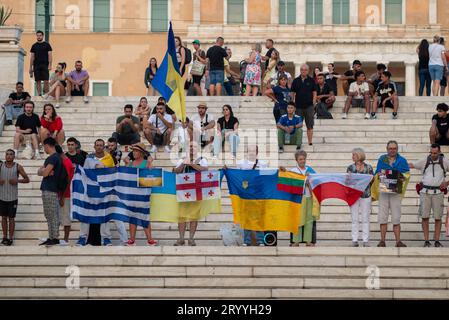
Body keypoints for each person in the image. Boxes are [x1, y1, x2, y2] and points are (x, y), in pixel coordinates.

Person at [79, 139, 127, 246]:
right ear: (94, 146)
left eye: (101, 145)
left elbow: (111, 173)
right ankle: (82, 237)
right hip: (91, 190)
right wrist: (97, 166)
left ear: (104, 147)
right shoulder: (88, 159)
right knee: (86, 213)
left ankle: (106, 238)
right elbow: (85, 173)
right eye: (97, 145)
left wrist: (101, 167)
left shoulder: (109, 158)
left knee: (105, 214)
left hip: (104, 191)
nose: (99, 147)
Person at [409, 144, 448, 248]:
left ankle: (437, 240)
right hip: (425, 192)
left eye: (435, 153)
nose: (433, 155)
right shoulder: (424, 160)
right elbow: (412, 165)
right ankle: (426, 240)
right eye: (431, 152)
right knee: (424, 217)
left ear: (439, 152)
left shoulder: (444, 161)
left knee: (438, 217)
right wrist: (398, 164)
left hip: (438, 193)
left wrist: (447, 183)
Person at [374, 140, 410, 248]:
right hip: (384, 190)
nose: (392, 150)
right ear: (387, 149)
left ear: (397, 149)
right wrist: (379, 174)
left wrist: (402, 176)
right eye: (390, 148)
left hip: (396, 191)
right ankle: (382, 241)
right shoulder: (382, 158)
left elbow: (407, 174)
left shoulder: (402, 160)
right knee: (382, 216)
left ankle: (398, 241)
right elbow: (377, 172)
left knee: (396, 216)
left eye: (394, 148)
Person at [173, 142, 209, 246]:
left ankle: (191, 238)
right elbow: (175, 171)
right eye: (190, 147)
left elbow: (205, 170)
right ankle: (181, 238)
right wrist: (184, 163)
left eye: (194, 146)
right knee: (181, 216)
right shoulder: (182, 159)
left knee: (194, 216)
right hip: (183, 191)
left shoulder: (202, 159)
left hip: (197, 191)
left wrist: (191, 164)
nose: (192, 148)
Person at [280, 149, 317, 246]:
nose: (302, 161)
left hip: (309, 196)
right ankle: (296, 241)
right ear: (296, 160)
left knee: (309, 219)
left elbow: (317, 182)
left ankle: (308, 241)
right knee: (298, 219)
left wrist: (310, 180)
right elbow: (290, 182)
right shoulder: (294, 171)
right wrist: (284, 172)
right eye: (300, 159)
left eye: (304, 159)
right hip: (298, 198)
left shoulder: (310, 170)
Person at [126, 143, 156, 246]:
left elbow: (152, 178)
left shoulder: (147, 163)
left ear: (142, 152)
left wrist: (150, 164)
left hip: (143, 195)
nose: (134, 152)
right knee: (132, 217)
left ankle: (149, 239)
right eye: (133, 151)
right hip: (131, 195)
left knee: (145, 217)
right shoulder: (130, 164)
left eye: (136, 151)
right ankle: (132, 239)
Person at [0, 150, 30, 246]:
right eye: (7, 154)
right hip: (2, 197)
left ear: (14, 156)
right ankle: (4, 237)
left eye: (11, 154)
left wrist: (17, 180)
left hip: (13, 197)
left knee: (11, 218)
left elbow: (27, 179)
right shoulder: (0, 166)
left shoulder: (18, 167)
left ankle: (11, 237)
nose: (8, 156)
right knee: (3, 217)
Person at [347, 148, 374, 247]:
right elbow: (348, 183)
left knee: (365, 218)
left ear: (358, 155)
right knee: (354, 218)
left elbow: (371, 181)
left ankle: (365, 240)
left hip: (365, 195)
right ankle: (354, 239)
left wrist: (372, 178)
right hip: (353, 195)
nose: (352, 156)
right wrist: (348, 178)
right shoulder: (350, 168)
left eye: (353, 155)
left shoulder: (368, 167)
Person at [38, 137, 62, 246]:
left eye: (44, 146)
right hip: (47, 188)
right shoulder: (51, 158)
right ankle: (51, 236)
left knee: (52, 214)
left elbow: (44, 173)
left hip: (51, 189)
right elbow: (40, 171)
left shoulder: (54, 158)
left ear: (48, 145)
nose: (44, 148)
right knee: (48, 214)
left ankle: (55, 237)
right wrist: (44, 171)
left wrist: (44, 171)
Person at [290, 64, 317, 146]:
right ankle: (298, 141)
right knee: (298, 125)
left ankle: (310, 142)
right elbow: (292, 93)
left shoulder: (311, 80)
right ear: (300, 70)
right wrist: (292, 103)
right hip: (298, 107)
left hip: (309, 106)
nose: (303, 71)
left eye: (305, 70)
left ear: (308, 71)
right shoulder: (295, 80)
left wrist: (314, 101)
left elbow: (314, 92)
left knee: (310, 125)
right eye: (302, 69)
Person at [55, 145, 74, 245]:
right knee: (59, 217)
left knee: (65, 217)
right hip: (61, 193)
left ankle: (66, 240)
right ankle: (57, 237)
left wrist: (62, 196)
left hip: (65, 194)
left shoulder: (66, 162)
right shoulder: (64, 161)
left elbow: (67, 180)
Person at [29, 30, 52, 96]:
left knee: (46, 80)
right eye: (37, 35)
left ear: (42, 36)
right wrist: (30, 68)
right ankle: (39, 94)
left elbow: (50, 55)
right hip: (36, 65)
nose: (39, 37)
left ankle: (46, 93)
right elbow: (32, 57)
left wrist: (50, 65)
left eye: (40, 35)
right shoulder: (34, 46)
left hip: (45, 65)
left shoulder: (47, 45)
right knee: (37, 81)